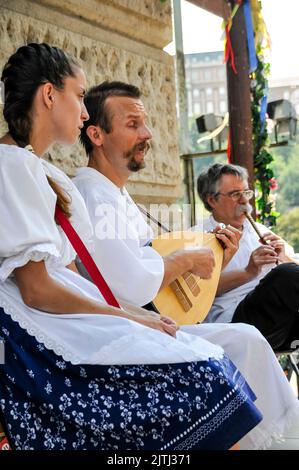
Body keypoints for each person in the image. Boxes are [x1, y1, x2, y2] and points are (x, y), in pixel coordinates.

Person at [0, 43, 269, 452]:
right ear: (49, 95)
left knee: (208, 363)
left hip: (72, 320)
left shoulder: (40, 170)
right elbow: (37, 290)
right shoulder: (13, 166)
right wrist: (130, 318)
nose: (84, 110)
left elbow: (72, 277)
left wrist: (134, 317)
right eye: (78, 94)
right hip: (41, 342)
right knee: (205, 376)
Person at [73, 80, 299, 449]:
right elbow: (130, 285)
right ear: (96, 134)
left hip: (153, 320)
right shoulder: (93, 194)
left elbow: (152, 263)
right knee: (243, 338)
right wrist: (185, 260)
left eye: (145, 124)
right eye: (133, 124)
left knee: (248, 338)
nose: (147, 133)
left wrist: (207, 262)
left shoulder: (116, 195)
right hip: (126, 330)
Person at [196, 162, 299, 351]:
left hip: (280, 323)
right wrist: (248, 271)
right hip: (235, 322)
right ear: (212, 200)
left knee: (287, 270)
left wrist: (283, 257)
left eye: (246, 193)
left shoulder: (260, 230)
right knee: (286, 274)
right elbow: (197, 290)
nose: (245, 201)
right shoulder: (197, 238)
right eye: (236, 194)